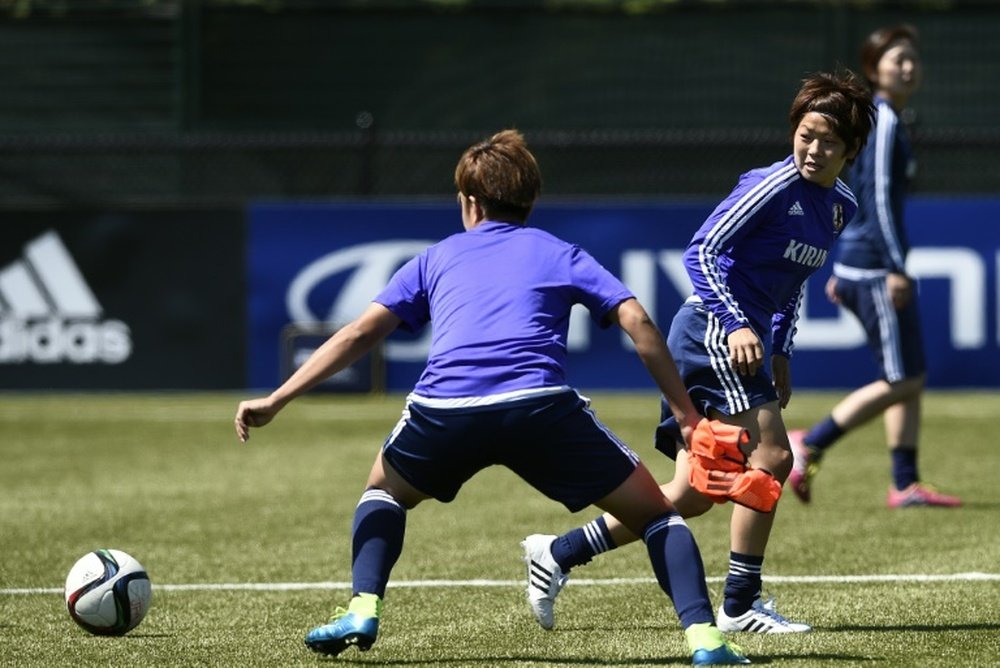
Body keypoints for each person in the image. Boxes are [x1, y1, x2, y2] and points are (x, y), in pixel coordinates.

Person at [234, 129, 750, 665]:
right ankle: (705, 642)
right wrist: (687, 415)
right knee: (658, 516)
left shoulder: (434, 258)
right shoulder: (558, 251)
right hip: (540, 408)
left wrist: (278, 398)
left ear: (470, 202)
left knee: (383, 493)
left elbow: (357, 335)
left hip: (445, 410)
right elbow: (638, 321)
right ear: (529, 200)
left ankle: (364, 606)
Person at [521, 71, 874, 635]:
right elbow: (702, 250)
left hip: (748, 342)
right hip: (711, 330)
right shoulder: (771, 186)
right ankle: (740, 604)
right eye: (806, 135)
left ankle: (557, 553)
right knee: (775, 457)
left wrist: (781, 349)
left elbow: (794, 281)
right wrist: (737, 323)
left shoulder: (841, 205)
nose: (813, 149)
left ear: (852, 150)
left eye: (829, 141)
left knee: (690, 495)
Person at [787, 25, 961, 509]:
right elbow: (878, 200)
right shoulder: (881, 120)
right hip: (876, 268)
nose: (907, 67)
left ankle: (905, 484)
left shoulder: (888, 120)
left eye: (912, 59)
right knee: (902, 379)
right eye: (895, 58)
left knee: (909, 375)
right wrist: (896, 266)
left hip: (868, 265)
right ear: (873, 68)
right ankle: (811, 442)